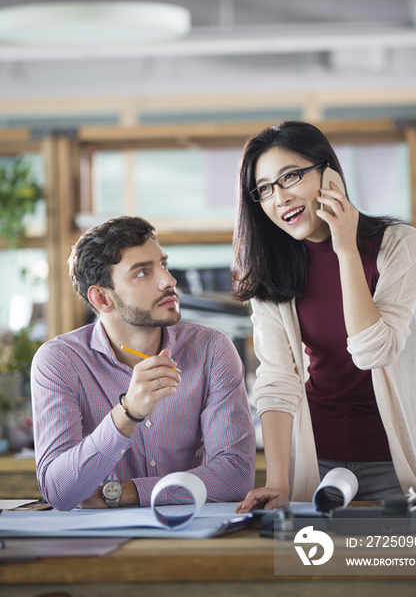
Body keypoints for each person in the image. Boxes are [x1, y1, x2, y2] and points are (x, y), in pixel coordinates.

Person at [231, 120, 416, 512]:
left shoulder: (397, 244)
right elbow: (276, 379)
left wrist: (345, 247)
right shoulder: (270, 269)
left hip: (391, 460)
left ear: (330, 175)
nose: (280, 197)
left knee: (400, 565)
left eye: (290, 176)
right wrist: (278, 481)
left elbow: (375, 352)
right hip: (314, 460)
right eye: (266, 189)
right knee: (316, 567)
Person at [32, 216, 255, 511]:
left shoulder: (212, 349)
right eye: (142, 273)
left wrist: (123, 492)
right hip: (95, 545)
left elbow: (235, 477)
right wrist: (127, 414)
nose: (169, 280)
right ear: (102, 298)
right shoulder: (59, 362)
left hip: (189, 534)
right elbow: (59, 491)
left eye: (162, 264)